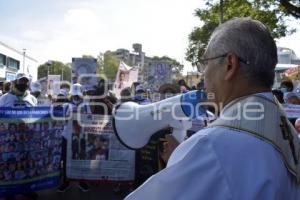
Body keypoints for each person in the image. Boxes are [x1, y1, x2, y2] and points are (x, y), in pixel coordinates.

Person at [125, 17, 300, 199]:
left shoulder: (212, 146)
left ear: (230, 64)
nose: (203, 74)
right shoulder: (284, 131)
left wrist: (189, 160)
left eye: (206, 62)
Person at [0, 73, 38, 200]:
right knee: (9, 164)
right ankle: (9, 192)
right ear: (15, 82)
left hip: (28, 139)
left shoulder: (32, 99)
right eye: (21, 81)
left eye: (26, 81)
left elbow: (37, 116)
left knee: (26, 164)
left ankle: (26, 189)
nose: (23, 84)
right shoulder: (4, 98)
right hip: (9, 139)